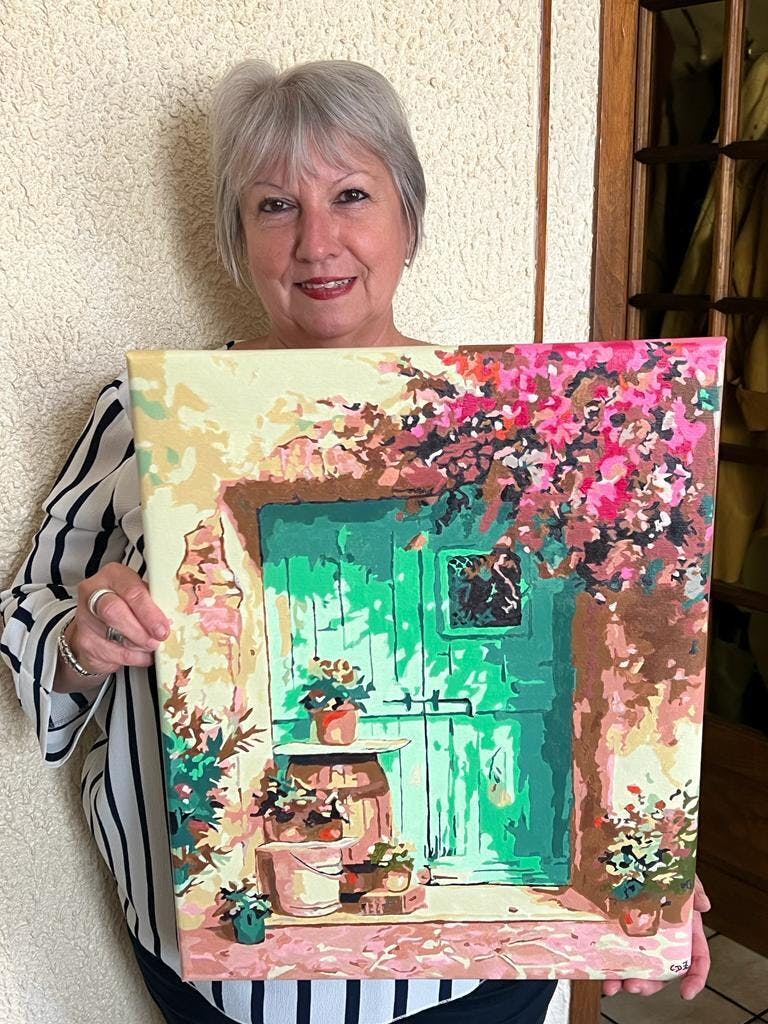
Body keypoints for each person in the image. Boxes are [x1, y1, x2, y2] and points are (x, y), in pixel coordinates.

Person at [0, 59, 710, 1024]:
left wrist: (653, 860)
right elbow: (29, 610)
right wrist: (84, 640)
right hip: (208, 969)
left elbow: (636, 658)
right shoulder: (142, 415)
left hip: (468, 992)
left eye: (350, 195)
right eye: (274, 205)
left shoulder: (524, 418)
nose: (317, 241)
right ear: (236, 237)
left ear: (407, 217)